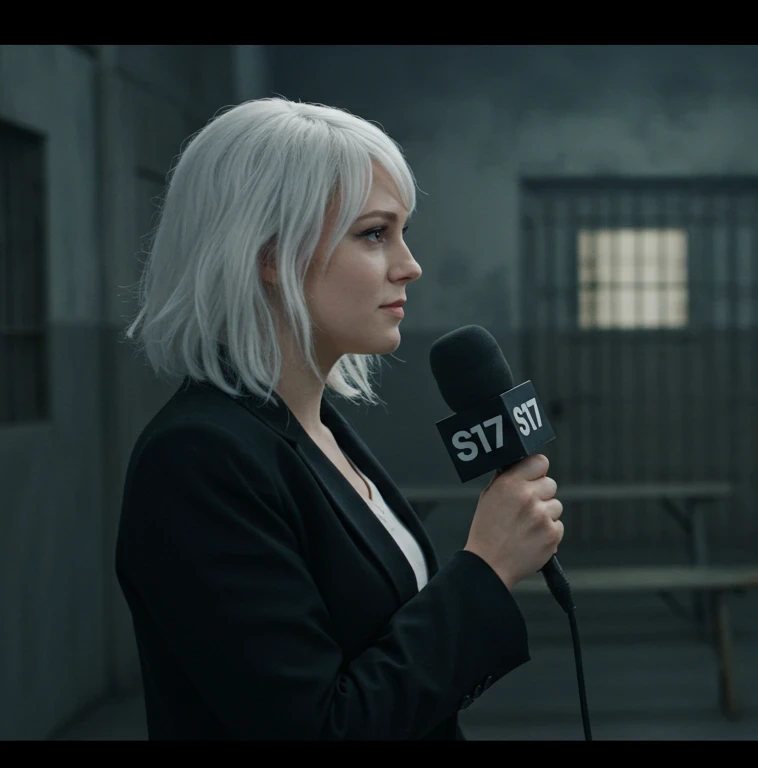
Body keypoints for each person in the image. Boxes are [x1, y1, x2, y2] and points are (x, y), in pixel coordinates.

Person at [114, 97, 565, 740]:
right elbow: (318, 727)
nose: (410, 265)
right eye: (375, 233)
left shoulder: (316, 431)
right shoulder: (198, 460)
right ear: (270, 251)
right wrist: (486, 568)